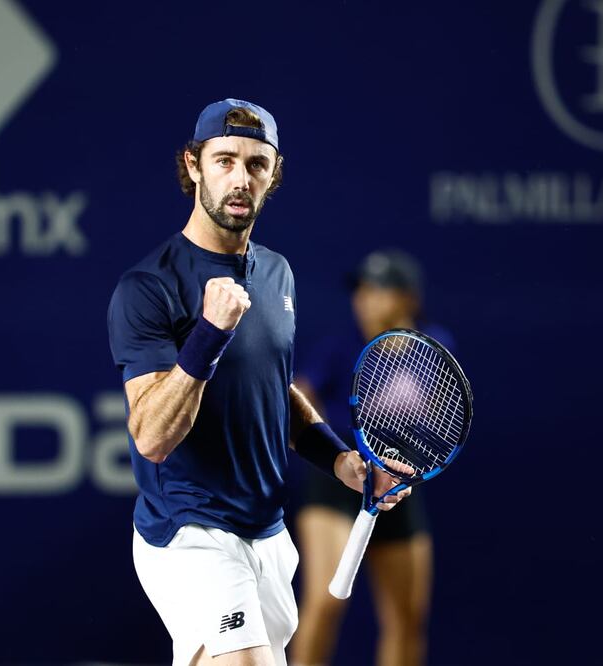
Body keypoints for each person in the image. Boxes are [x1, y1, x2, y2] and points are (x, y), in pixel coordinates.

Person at [106, 99, 412, 666]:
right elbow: (150, 435)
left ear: (273, 175)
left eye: (257, 165)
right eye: (224, 160)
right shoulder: (148, 287)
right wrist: (207, 334)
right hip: (188, 533)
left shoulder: (277, 273)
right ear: (193, 164)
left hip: (267, 537)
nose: (240, 178)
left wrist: (340, 461)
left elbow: (275, 392)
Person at [289, 250, 452, 666]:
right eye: (360, 290)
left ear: (407, 298)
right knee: (324, 604)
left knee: (406, 617)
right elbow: (298, 399)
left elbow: (437, 419)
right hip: (337, 484)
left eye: (378, 290)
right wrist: (341, 451)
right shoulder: (338, 347)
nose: (364, 299)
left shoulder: (434, 348)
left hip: (399, 486)